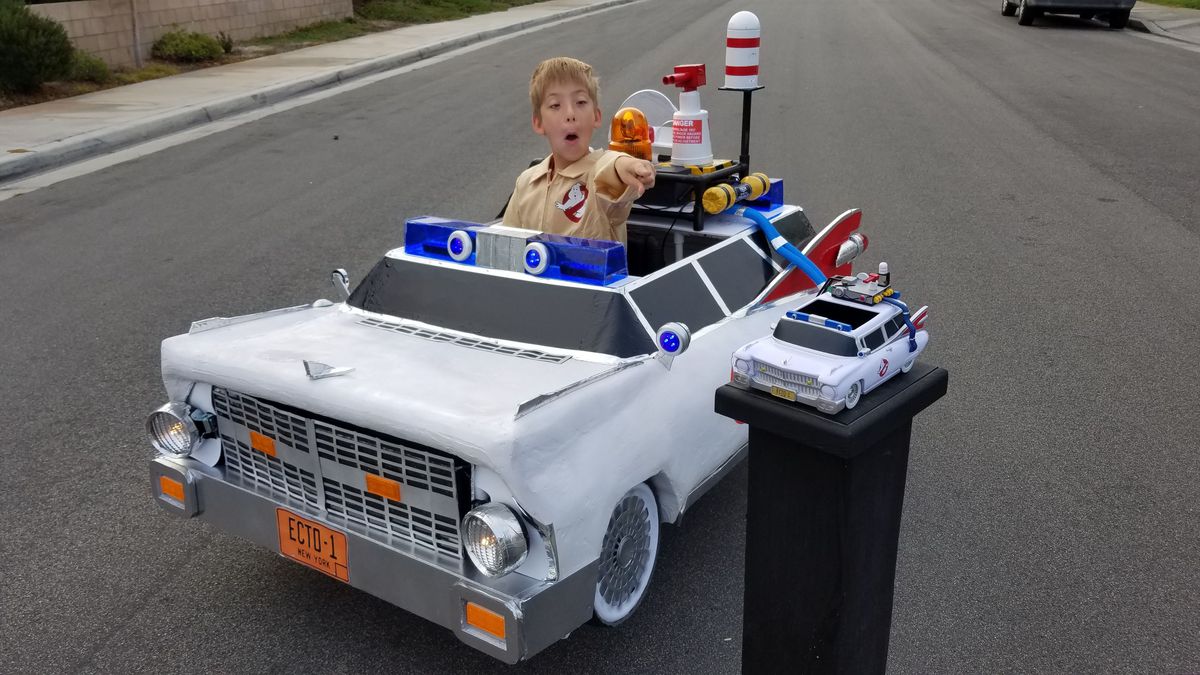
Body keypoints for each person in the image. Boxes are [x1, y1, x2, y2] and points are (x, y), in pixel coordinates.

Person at [502, 57, 656, 244]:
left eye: (580, 102)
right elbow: (506, 245)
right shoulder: (526, 183)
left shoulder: (599, 177)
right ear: (538, 123)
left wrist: (629, 165)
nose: (570, 114)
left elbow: (612, 166)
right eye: (555, 105)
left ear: (596, 116)